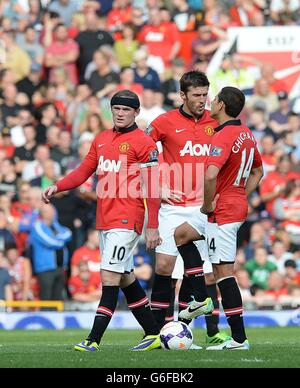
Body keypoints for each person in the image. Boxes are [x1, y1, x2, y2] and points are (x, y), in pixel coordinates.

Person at [42, 90, 162, 352]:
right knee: (124, 277)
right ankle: (153, 332)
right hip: (105, 218)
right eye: (116, 109)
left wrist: (152, 225)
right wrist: (58, 186)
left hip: (127, 217)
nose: (120, 113)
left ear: (136, 113)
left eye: (126, 110)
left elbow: (152, 188)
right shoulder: (102, 139)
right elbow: (84, 171)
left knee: (109, 276)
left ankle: (93, 340)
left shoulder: (144, 144)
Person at [179, 86, 264, 350]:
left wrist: (207, 204)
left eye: (213, 100)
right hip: (230, 204)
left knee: (224, 274)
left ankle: (239, 339)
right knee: (182, 234)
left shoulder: (224, 136)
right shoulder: (247, 134)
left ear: (222, 106)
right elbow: (258, 171)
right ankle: (203, 299)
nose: (209, 103)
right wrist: (240, 194)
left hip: (222, 211)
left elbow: (210, 175)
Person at [147, 70, 228, 346]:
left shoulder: (215, 122)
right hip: (172, 208)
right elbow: (140, 151)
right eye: (196, 95)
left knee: (208, 273)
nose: (202, 100)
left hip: (203, 208)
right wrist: (158, 187)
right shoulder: (164, 122)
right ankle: (156, 332)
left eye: (206, 95)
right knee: (164, 267)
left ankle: (210, 330)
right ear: (182, 95)